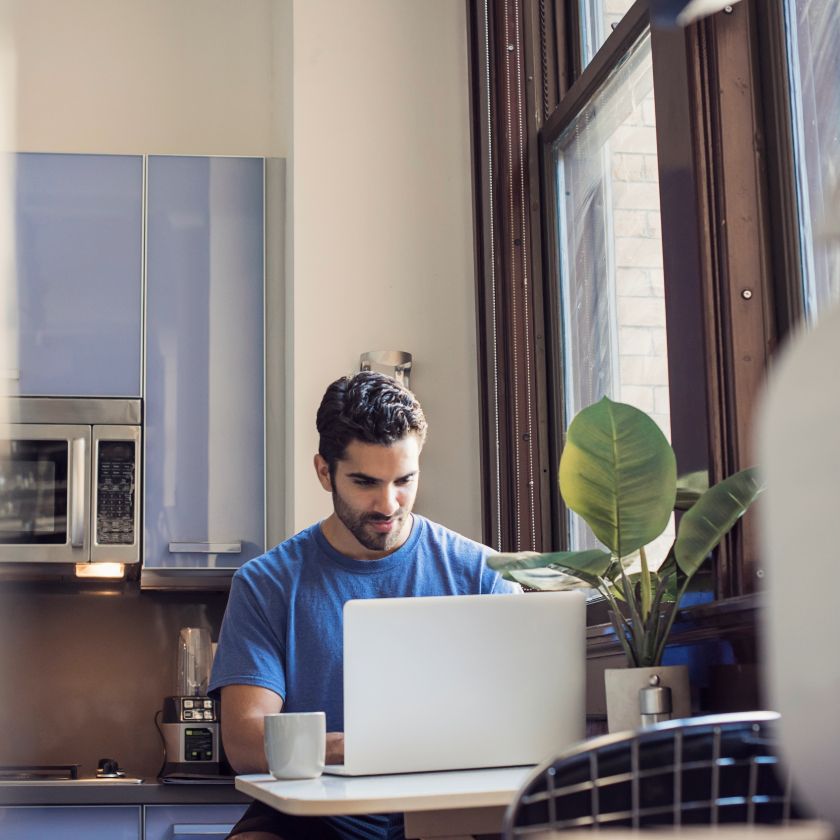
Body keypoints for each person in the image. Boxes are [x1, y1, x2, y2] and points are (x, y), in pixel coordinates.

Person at [209, 371, 519, 840]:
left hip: (448, 806)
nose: (388, 504)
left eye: (404, 480)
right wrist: (352, 749)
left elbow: (517, 719)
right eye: (364, 482)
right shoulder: (265, 584)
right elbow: (246, 742)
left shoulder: (482, 573)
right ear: (323, 471)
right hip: (312, 814)